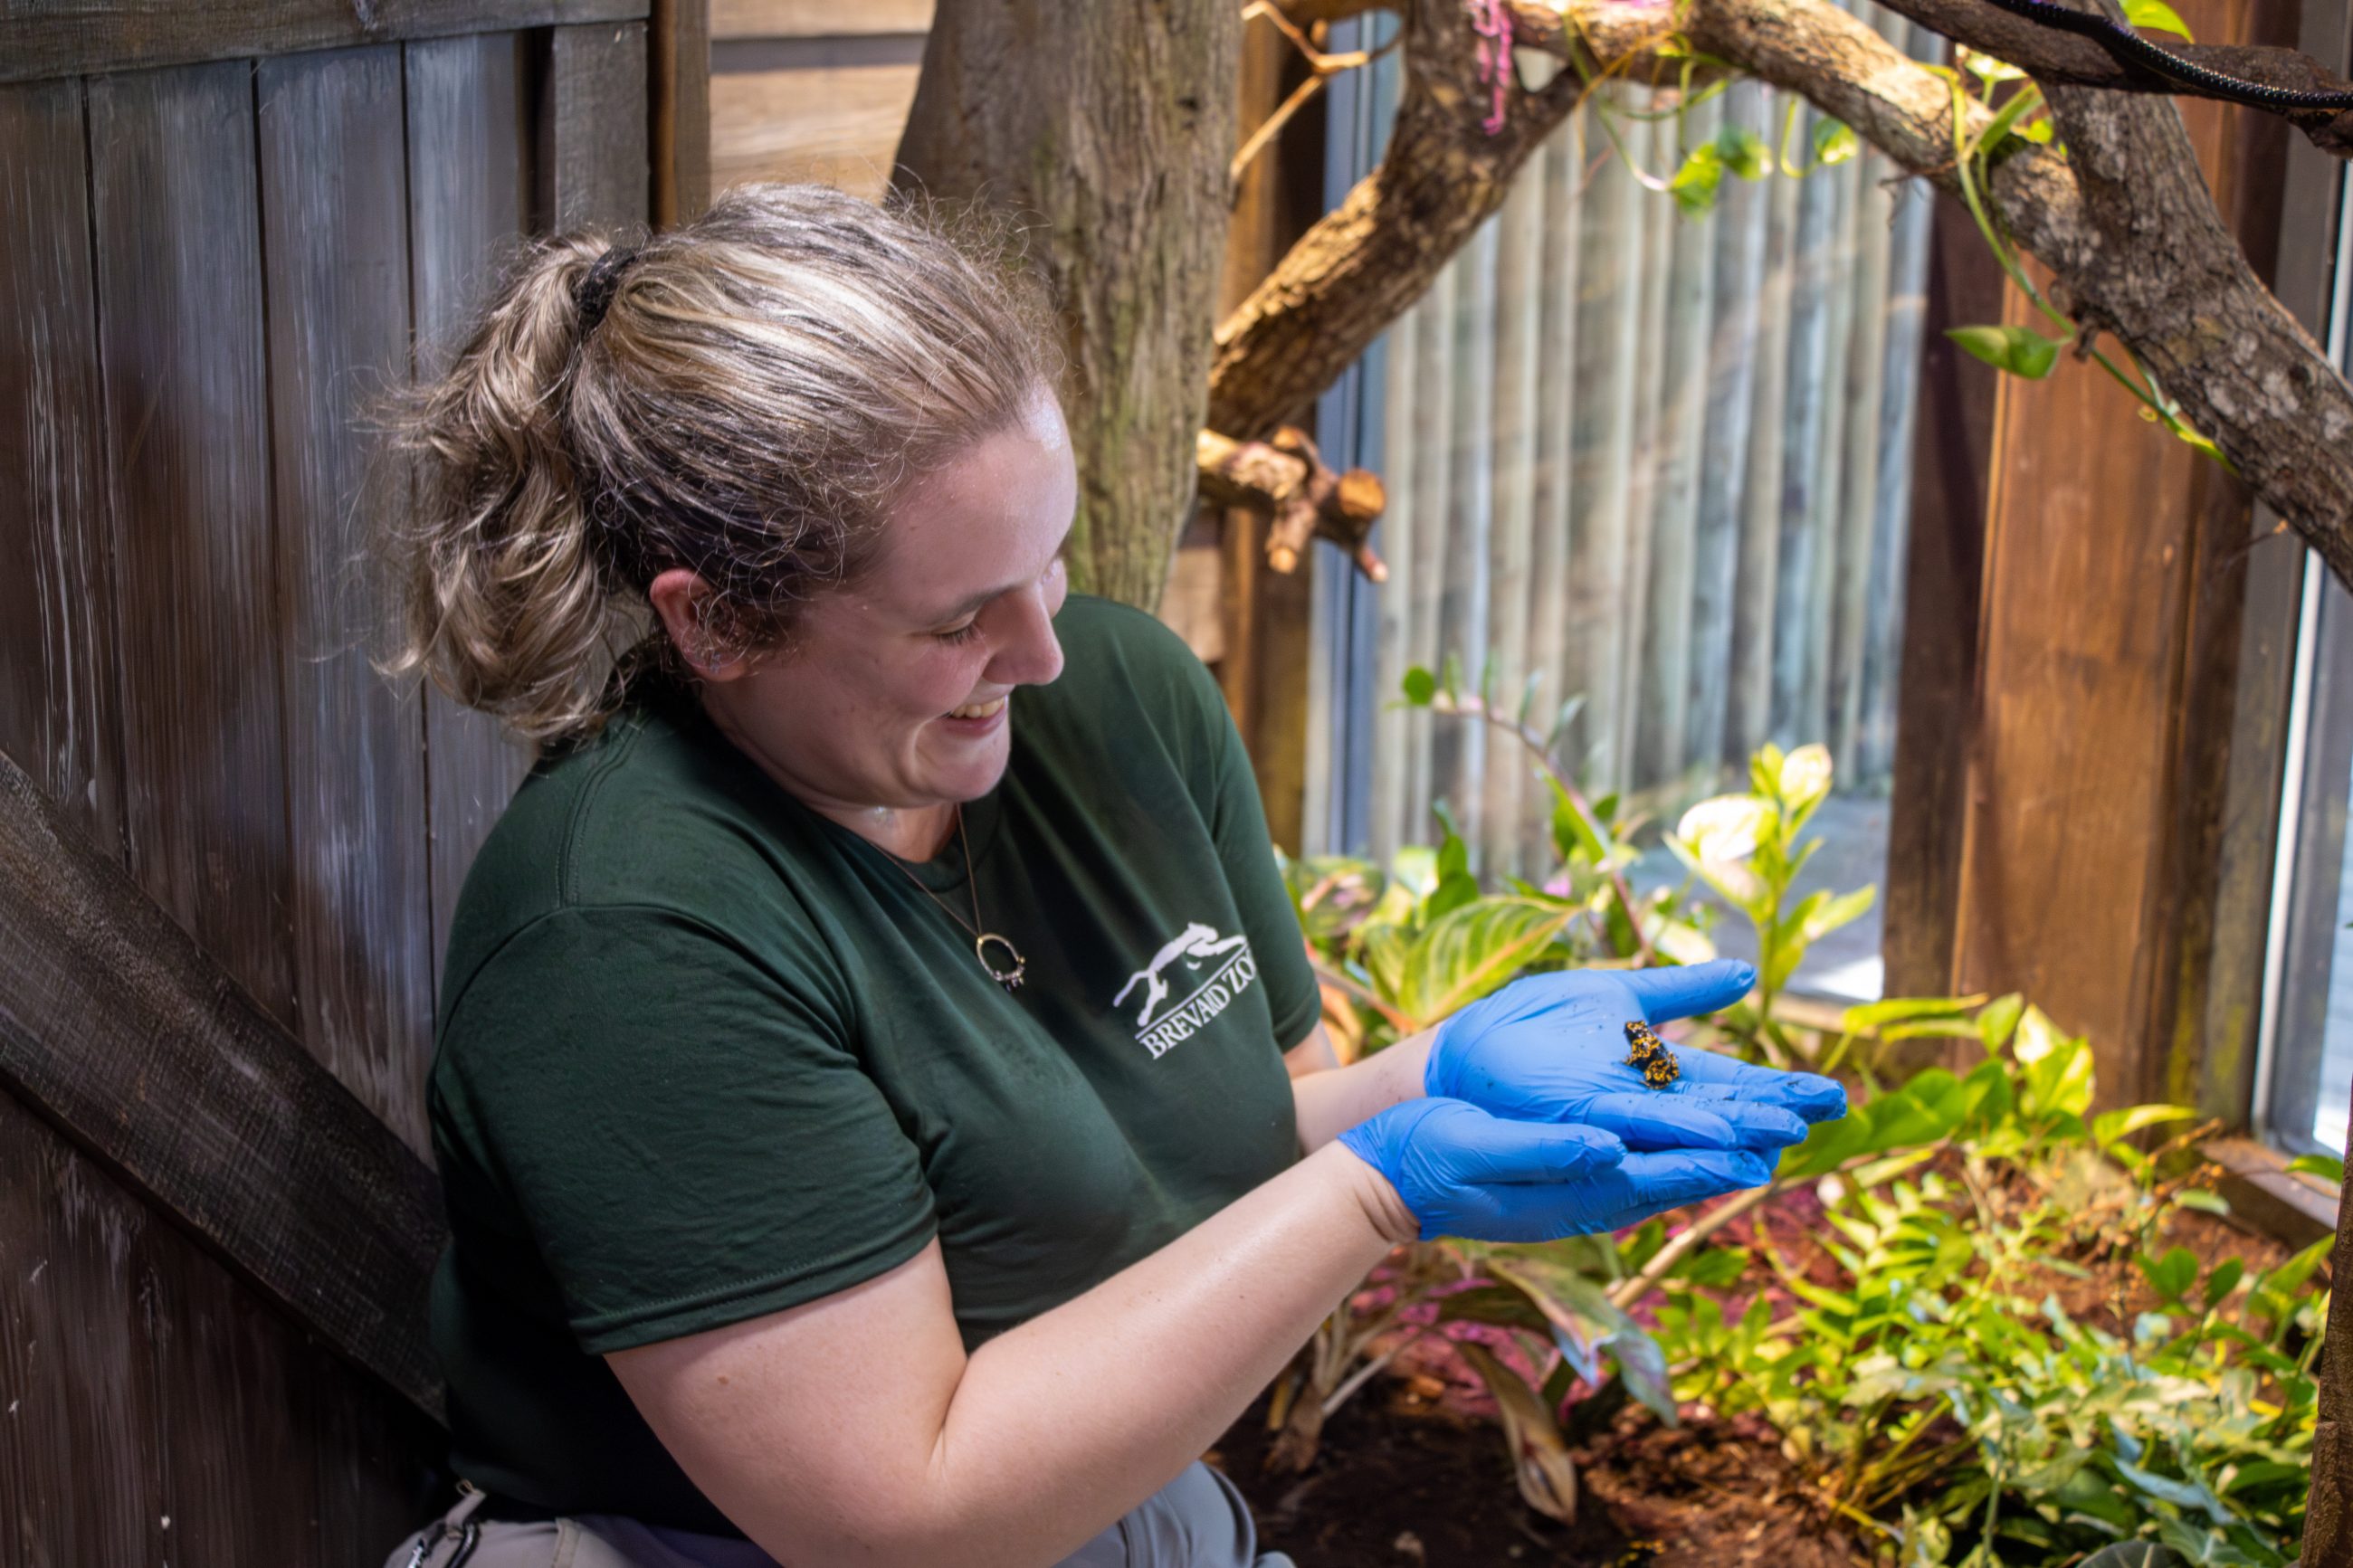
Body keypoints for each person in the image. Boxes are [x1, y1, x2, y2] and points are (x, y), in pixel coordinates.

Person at [380, 184, 1845, 1568]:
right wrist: (1374, 1201)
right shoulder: (630, 930)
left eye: (1053, 559)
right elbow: (904, 1517)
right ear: (717, 627)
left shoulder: (1120, 700)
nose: (1042, 653)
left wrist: (1436, 1078)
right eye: (960, 617)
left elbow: (1227, 1140)